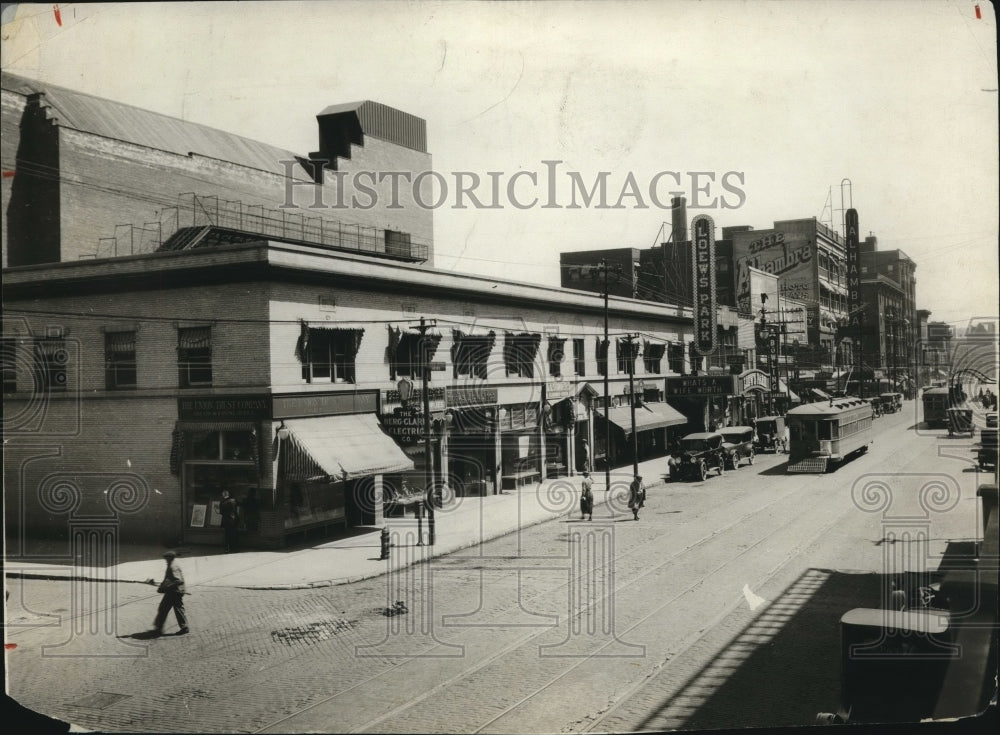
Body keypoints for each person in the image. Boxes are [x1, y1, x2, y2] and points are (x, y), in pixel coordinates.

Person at [151, 551, 188, 636]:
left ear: (170, 558)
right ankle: (184, 627)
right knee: (178, 609)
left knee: (163, 609)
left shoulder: (172, 567)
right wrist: (161, 587)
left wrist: (166, 587)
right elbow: (167, 579)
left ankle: (158, 629)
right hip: (175, 591)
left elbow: (178, 580)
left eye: (166, 559)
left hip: (174, 592)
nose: (165, 560)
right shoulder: (171, 565)